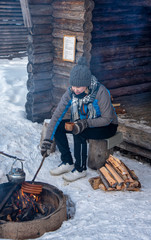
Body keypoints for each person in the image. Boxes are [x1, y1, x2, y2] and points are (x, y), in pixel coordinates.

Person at [41, 56, 118, 182]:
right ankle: (67, 162)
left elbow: (107, 118)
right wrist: (47, 140)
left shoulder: (100, 92)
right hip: (83, 122)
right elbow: (56, 116)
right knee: (60, 126)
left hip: (106, 126)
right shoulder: (71, 93)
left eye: (79, 87)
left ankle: (80, 169)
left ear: (87, 84)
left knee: (79, 131)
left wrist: (85, 123)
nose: (75, 90)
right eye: (73, 86)